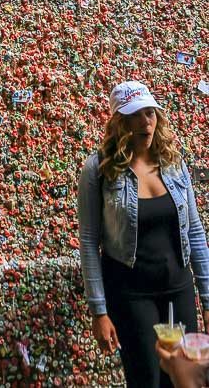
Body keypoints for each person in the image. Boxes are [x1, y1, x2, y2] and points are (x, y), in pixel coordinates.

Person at [77, 79, 209, 388]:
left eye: (149, 113)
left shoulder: (174, 164)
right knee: (146, 379)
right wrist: (100, 311)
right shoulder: (98, 170)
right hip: (130, 293)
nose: (144, 122)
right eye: (135, 115)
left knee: (184, 377)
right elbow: (88, 243)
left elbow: (196, 234)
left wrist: (207, 297)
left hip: (177, 288)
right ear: (119, 122)